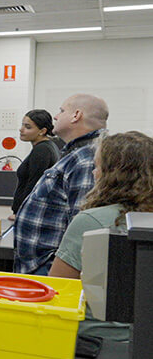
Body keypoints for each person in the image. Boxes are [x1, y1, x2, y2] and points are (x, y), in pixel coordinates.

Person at [14, 93, 109, 275]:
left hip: (50, 267)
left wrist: (57, 271)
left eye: (62, 110)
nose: (56, 116)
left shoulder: (86, 159)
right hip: (42, 263)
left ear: (76, 115)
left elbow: (81, 228)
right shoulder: (76, 153)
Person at [48, 131, 153, 279]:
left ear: (113, 175)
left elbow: (60, 284)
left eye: (97, 166)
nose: (93, 172)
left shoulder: (91, 221)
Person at [10, 109, 61, 218]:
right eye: (22, 125)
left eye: (28, 127)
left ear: (42, 131)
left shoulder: (42, 150)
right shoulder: (47, 146)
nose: (21, 129)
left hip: (30, 213)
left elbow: (33, 185)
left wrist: (21, 212)